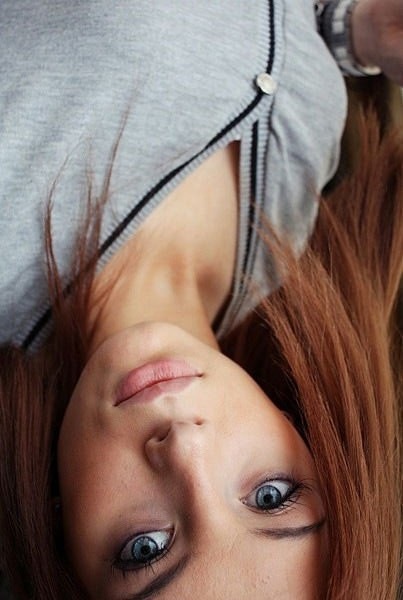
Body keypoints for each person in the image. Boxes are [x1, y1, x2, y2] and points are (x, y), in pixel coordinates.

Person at [0, 1, 402, 598]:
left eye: (146, 549)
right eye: (270, 496)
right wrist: (357, 29)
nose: (184, 447)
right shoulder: (282, 233)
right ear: (307, 441)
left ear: (63, 546)